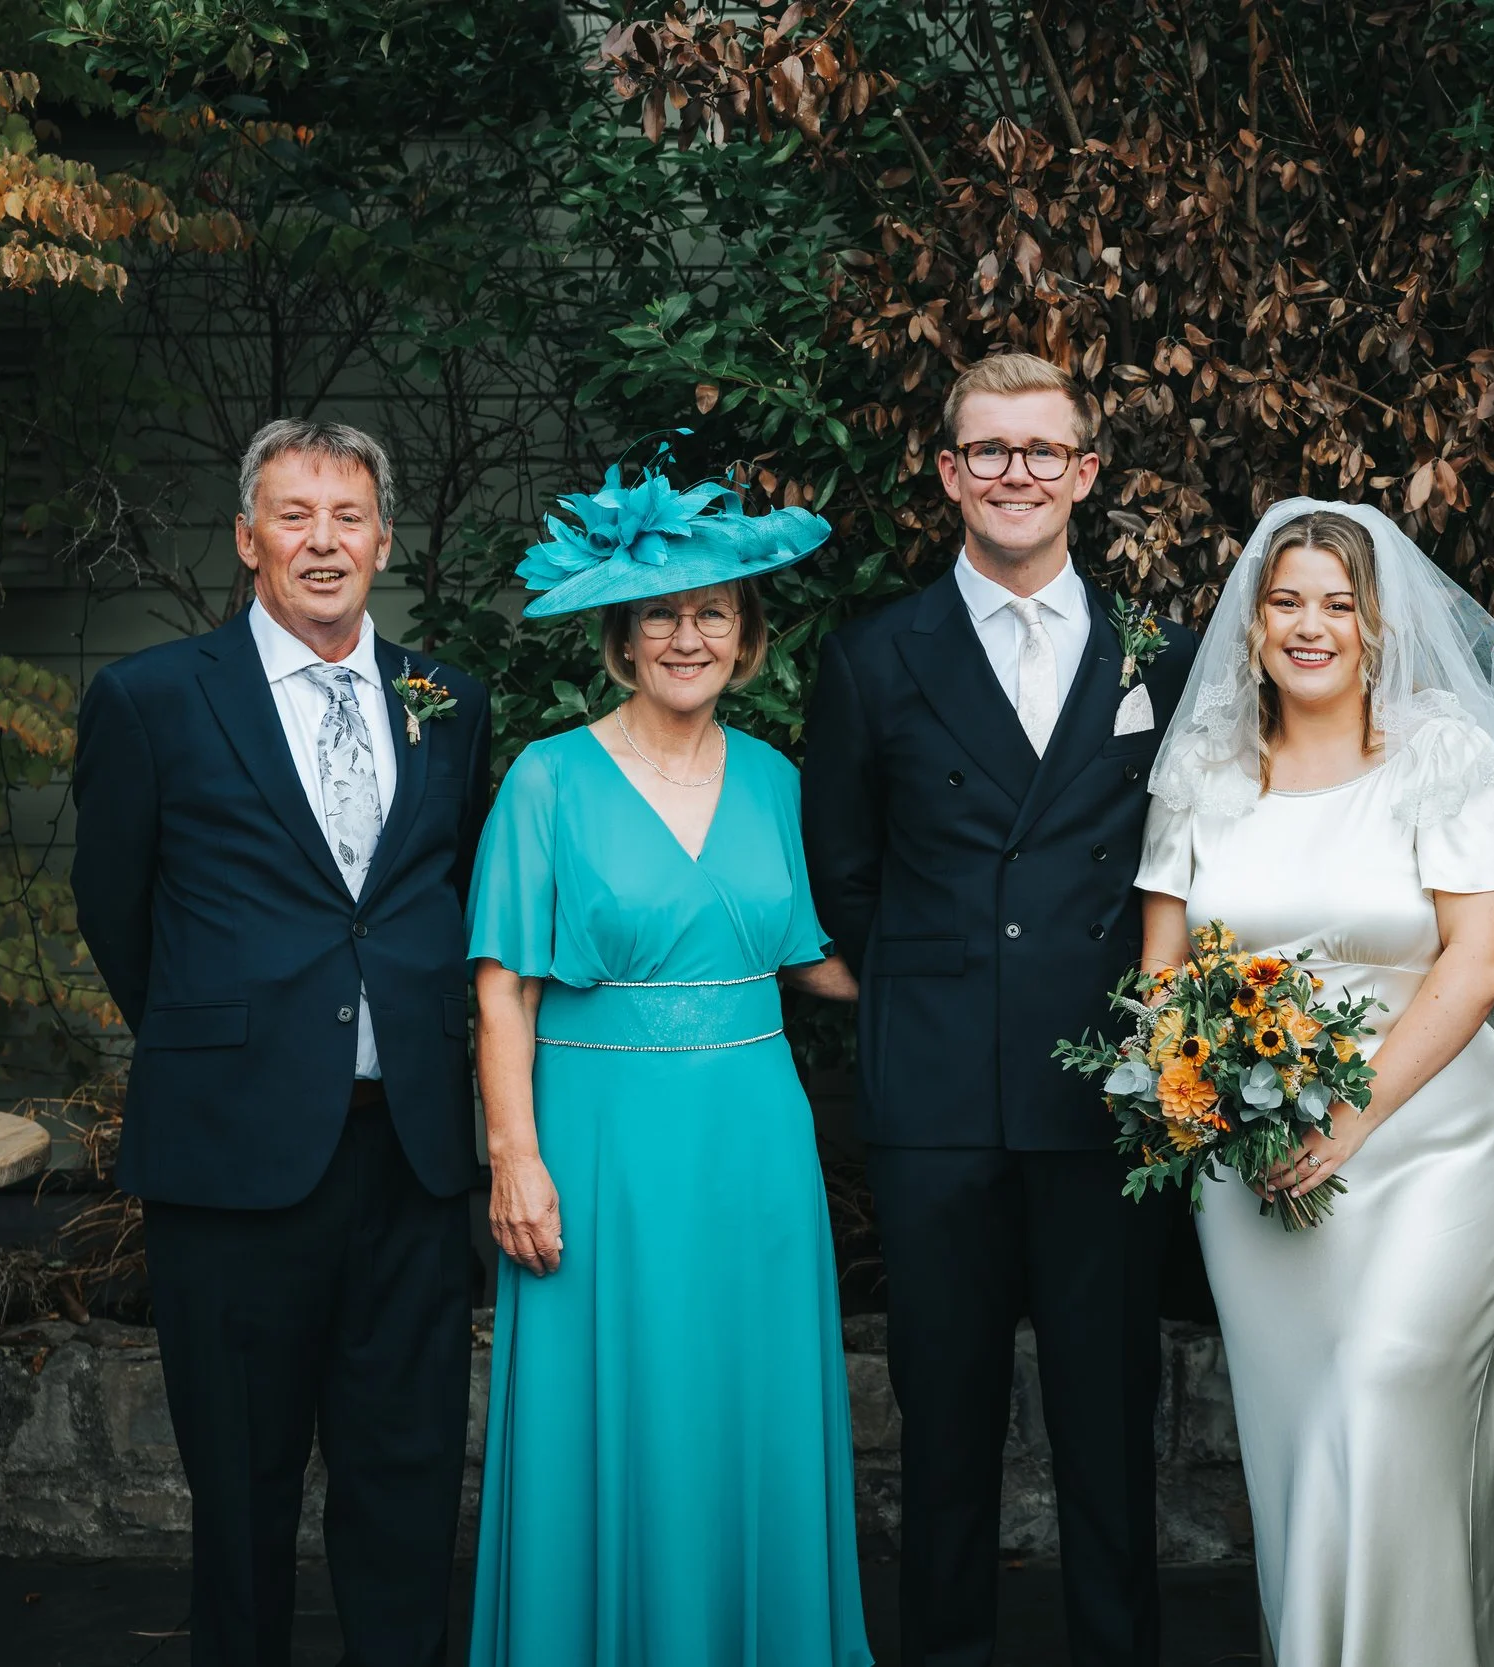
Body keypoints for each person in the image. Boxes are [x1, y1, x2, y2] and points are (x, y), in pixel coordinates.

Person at [1136, 500, 1494, 1667]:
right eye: (1287, 602)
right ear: (1252, 624)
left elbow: (1484, 955)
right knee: (1304, 1439)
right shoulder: (1201, 768)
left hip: (1429, 1150)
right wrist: (1200, 1102)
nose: (1312, 627)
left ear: (1378, 625)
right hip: (1256, 1175)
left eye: (1338, 605)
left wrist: (1352, 1114)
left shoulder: (1446, 755)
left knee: (1381, 1388)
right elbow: (1161, 974)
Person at [73, 420, 490, 1667]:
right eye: (294, 516)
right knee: (242, 1495)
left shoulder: (449, 703)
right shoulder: (150, 698)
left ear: (384, 538)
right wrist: (233, 1053)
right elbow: (117, 914)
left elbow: (443, 889)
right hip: (233, 1158)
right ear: (248, 538)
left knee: (408, 1484)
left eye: (348, 515)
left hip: (410, 1158)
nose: (324, 541)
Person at [802, 351, 1197, 1667]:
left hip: (1106, 1096)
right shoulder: (871, 656)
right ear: (949, 473)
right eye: (990, 450)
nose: (1015, 472)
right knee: (946, 1430)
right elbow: (845, 876)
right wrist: (942, 994)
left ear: (1085, 472)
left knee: (1109, 1427)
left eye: (1043, 449)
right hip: (938, 1103)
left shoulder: (1163, 652)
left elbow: (1184, 858)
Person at [463, 463, 868, 1666]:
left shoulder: (779, 781)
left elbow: (816, 963)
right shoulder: (546, 777)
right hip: (598, 1144)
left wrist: (971, 979)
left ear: (746, 639)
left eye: (713, 615)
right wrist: (515, 1155)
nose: (687, 635)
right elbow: (501, 986)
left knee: (745, 1408)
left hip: (752, 1140)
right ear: (620, 639)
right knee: (612, 1410)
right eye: (661, 615)